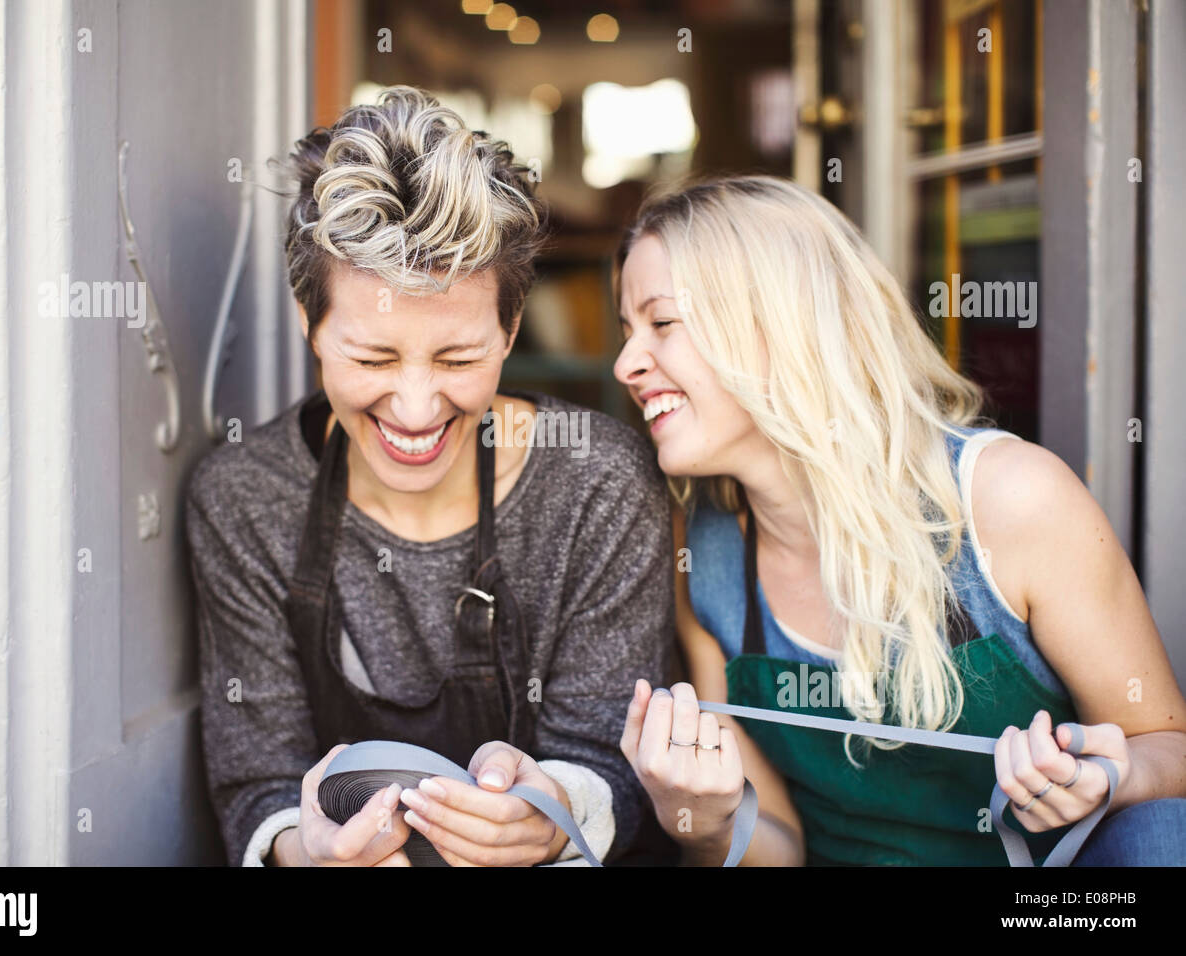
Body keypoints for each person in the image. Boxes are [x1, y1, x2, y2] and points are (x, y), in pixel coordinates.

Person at [613, 174, 1186, 865]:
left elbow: (1168, 748)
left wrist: (1107, 777)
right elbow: (780, 849)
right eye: (627, 330)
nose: (625, 363)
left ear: (782, 322)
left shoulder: (1010, 501)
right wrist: (706, 821)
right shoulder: (703, 555)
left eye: (662, 323)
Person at [185, 86, 672, 867]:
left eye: (458, 358)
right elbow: (258, 789)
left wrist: (549, 818)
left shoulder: (597, 484)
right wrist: (313, 854)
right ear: (310, 325)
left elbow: (611, 764)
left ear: (511, 330)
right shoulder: (244, 500)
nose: (414, 409)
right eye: (373, 358)